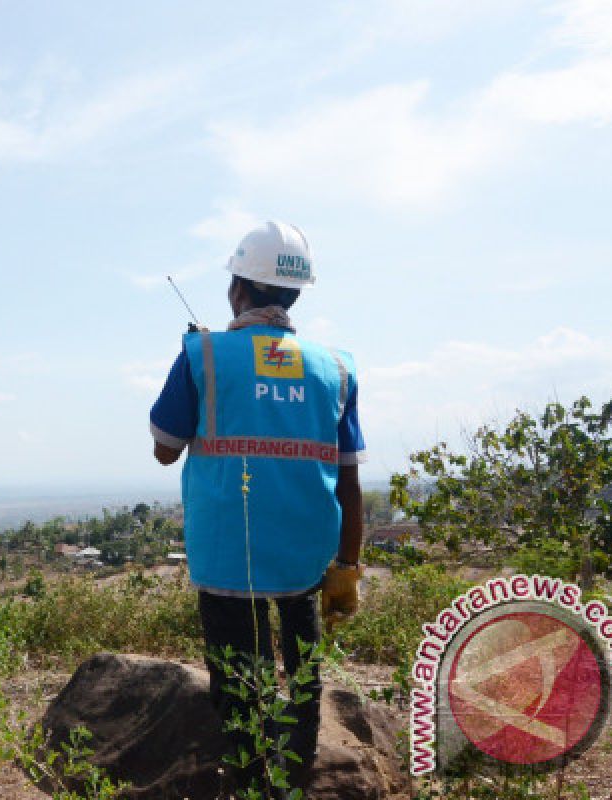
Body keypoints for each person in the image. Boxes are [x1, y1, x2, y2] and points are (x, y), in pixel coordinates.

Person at [149, 220, 365, 794]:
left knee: (239, 680)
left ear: (237, 289)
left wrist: (201, 362)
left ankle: (250, 779)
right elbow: (349, 482)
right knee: (302, 674)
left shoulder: (202, 356)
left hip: (228, 554)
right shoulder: (336, 367)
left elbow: (165, 452)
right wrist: (349, 566)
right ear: (294, 294)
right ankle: (296, 774)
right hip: (308, 557)